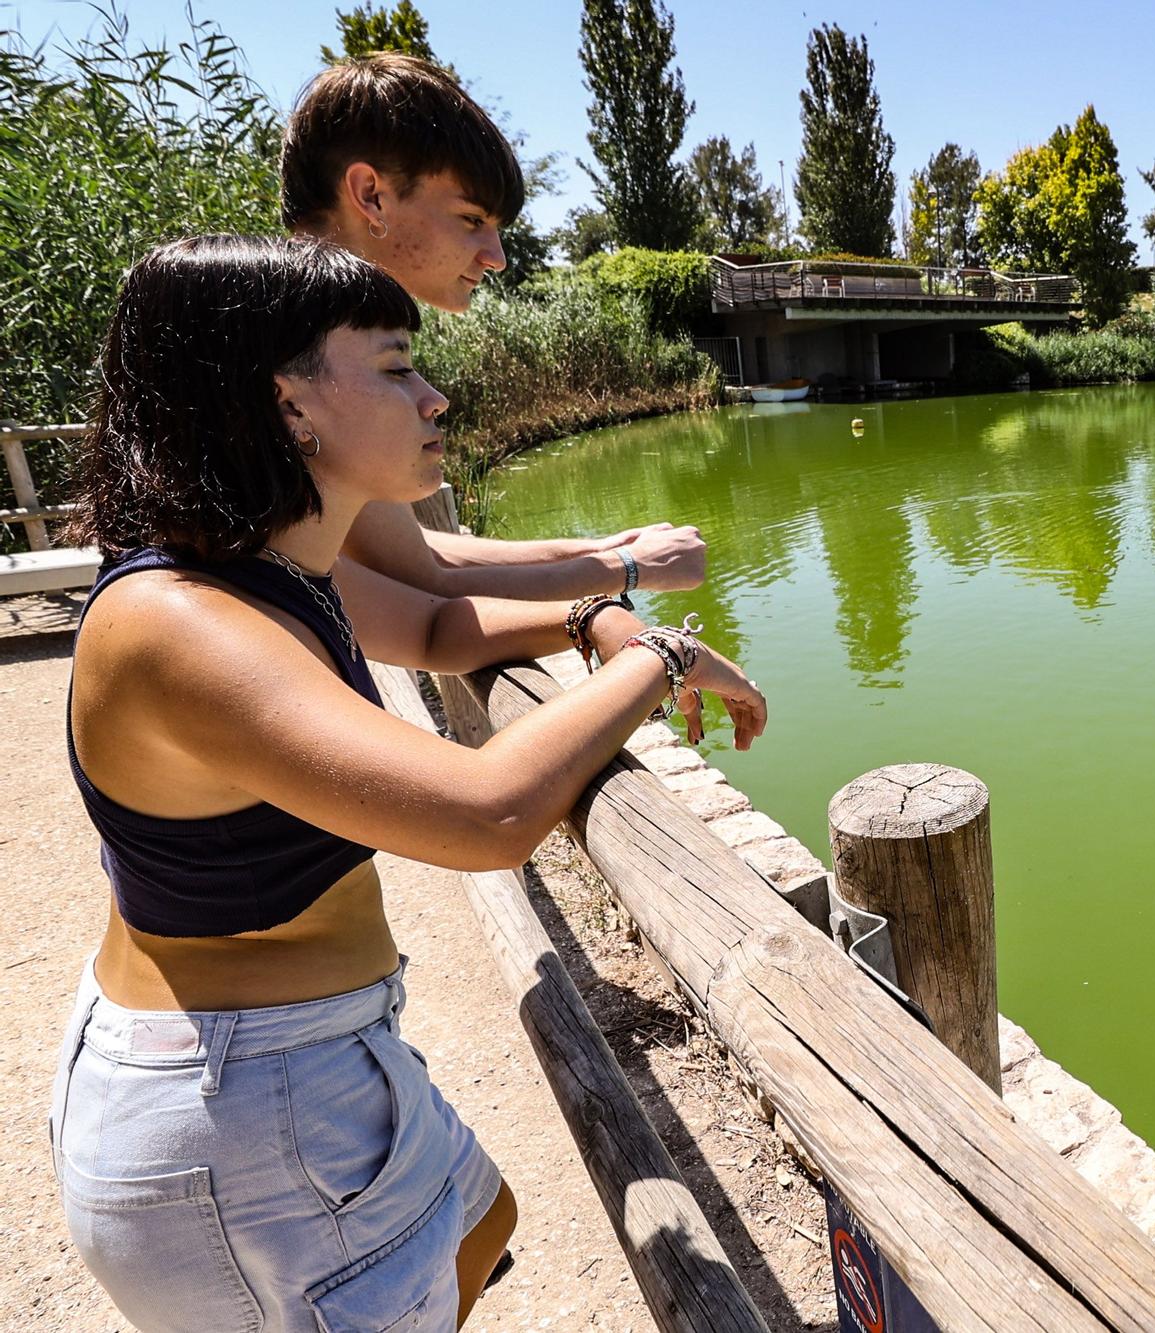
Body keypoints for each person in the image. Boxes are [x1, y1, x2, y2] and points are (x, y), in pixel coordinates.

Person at [48, 234, 767, 1331]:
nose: (434, 398)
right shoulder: (179, 625)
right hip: (240, 1111)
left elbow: (433, 623)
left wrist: (595, 615)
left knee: (482, 1223)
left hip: (289, 1062)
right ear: (290, 404)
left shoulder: (268, 569)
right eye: (393, 368)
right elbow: (487, 814)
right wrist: (656, 662)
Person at [282, 52, 706, 602]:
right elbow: (425, 591)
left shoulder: (316, 325)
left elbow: (421, 552)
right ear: (370, 195)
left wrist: (602, 548)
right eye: (472, 219)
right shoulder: (302, 353)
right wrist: (627, 569)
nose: (497, 256)